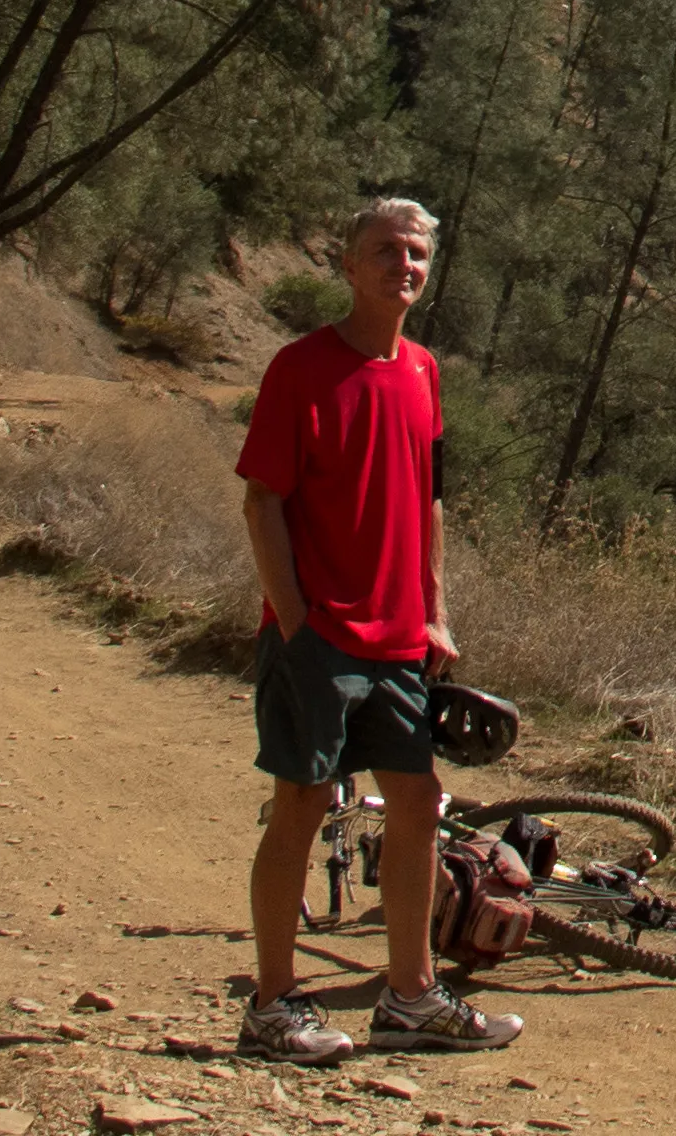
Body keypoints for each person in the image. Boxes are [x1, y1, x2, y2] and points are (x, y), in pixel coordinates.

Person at [233, 197, 521, 1062]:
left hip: (399, 639)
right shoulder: (300, 369)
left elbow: (428, 499)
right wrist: (295, 623)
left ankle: (410, 997)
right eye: (387, 251)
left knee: (415, 808)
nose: (406, 266)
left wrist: (435, 608)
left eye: (419, 254)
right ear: (350, 265)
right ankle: (272, 1007)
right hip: (318, 636)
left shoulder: (425, 372)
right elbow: (262, 501)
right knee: (301, 805)